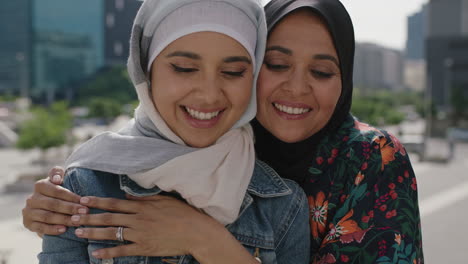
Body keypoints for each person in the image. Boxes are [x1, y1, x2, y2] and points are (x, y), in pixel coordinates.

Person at [23, 0, 424, 263]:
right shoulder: (91, 181)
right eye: (276, 64)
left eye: (321, 72)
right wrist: (50, 207)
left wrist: (204, 239)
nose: (297, 88)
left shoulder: (348, 168)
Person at [34, 0, 311, 263]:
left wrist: (205, 240)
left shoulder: (283, 205)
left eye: (233, 71)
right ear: (146, 71)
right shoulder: (82, 188)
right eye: (185, 68)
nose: (209, 95)